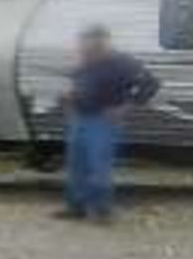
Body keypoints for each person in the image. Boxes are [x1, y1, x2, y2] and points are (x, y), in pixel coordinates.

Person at [58, 25, 160, 222]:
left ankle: (101, 210)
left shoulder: (123, 62)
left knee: (99, 167)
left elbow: (151, 84)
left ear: (102, 40)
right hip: (79, 119)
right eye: (81, 41)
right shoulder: (85, 61)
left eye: (87, 41)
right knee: (76, 166)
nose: (82, 46)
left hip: (103, 122)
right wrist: (69, 99)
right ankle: (76, 208)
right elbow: (79, 86)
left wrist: (126, 106)